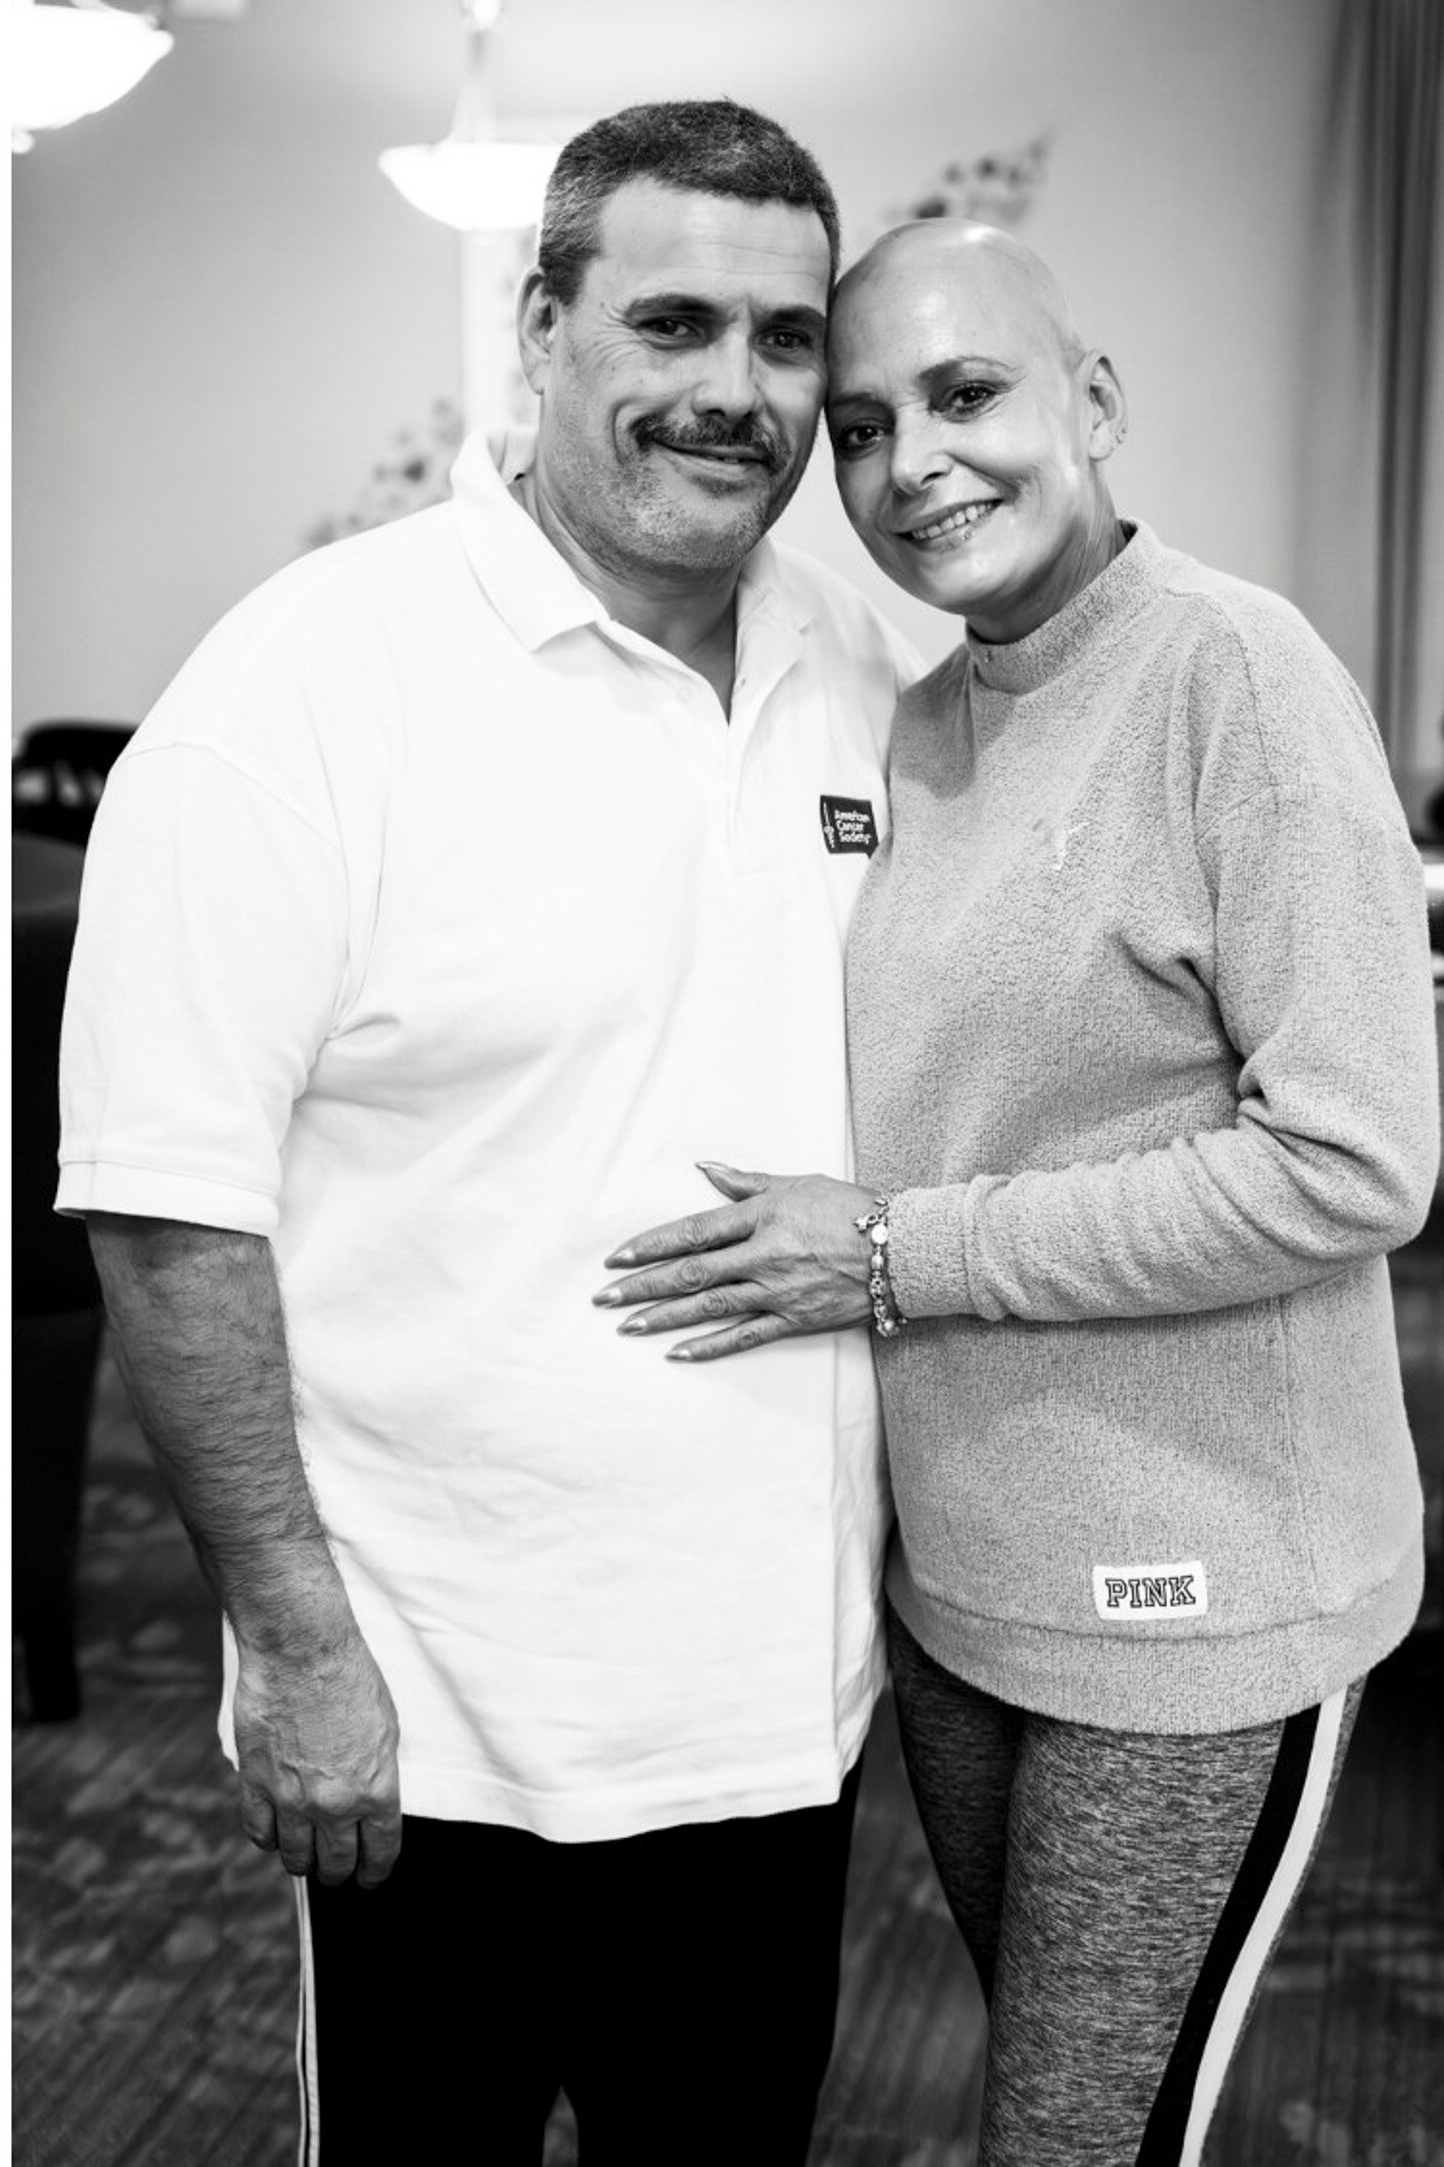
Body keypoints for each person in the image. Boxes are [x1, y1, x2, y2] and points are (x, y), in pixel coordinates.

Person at [56, 100, 926, 2159]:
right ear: (542, 326)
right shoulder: (302, 686)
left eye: (786, 339)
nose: (736, 392)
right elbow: (168, 1217)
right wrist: (296, 1645)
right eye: (672, 322)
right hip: (431, 1724)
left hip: (772, 1713)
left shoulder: (867, 664)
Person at [595, 219, 1435, 2161]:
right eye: (862, 427)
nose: (914, 467)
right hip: (965, 1592)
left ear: (1096, 401)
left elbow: (1354, 1159)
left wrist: (897, 1253)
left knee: (1071, 2140)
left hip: (1203, 1598)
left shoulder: (1238, 675)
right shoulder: (922, 718)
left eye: (966, 394)